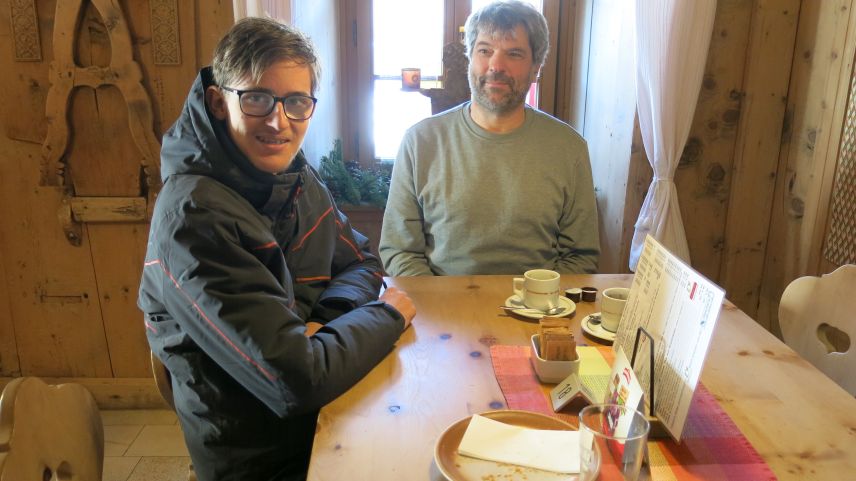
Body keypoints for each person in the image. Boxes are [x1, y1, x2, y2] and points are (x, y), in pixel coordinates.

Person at [137, 17, 415, 481]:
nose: (278, 121)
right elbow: (294, 382)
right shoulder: (193, 218)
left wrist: (324, 323)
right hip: (263, 455)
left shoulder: (296, 180)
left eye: (296, 102)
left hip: (329, 410)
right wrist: (387, 315)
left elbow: (361, 260)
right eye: (257, 98)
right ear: (218, 102)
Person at [380, 0, 600, 276]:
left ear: (536, 68)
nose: (496, 65)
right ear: (470, 58)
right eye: (485, 50)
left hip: (540, 312)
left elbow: (580, 257)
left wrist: (537, 303)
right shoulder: (420, 142)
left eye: (514, 54)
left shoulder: (569, 148)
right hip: (441, 311)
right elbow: (400, 250)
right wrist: (440, 306)